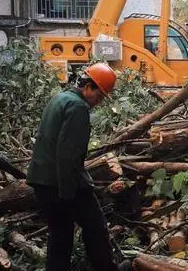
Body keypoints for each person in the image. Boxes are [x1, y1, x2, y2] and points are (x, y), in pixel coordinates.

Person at [27, 62, 132, 271]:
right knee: (95, 226)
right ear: (88, 86)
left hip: (42, 181)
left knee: (60, 234)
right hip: (62, 182)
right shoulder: (77, 107)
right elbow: (68, 155)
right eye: (99, 96)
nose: (98, 102)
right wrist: (68, 193)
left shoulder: (60, 98)